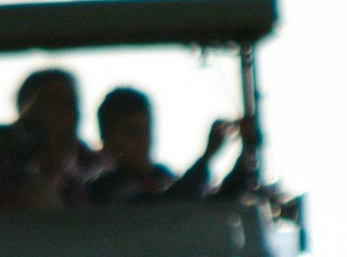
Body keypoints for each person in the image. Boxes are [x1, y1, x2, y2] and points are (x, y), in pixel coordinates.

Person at [83, 86, 260, 204]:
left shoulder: (162, 177)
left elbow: (210, 207)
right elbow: (166, 209)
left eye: (147, 130)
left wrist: (246, 157)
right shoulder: (104, 189)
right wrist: (207, 157)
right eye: (133, 131)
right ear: (108, 139)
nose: (144, 140)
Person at [3, 67, 100, 208]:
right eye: (54, 103)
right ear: (28, 113)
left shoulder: (97, 168)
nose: (67, 113)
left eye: (71, 103)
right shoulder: (4, 171)